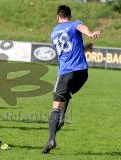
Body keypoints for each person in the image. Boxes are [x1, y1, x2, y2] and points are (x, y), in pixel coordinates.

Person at [42, 5, 101, 154]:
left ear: (58, 17)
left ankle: (51, 139)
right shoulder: (74, 24)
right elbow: (80, 28)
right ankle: (61, 118)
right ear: (69, 15)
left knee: (56, 105)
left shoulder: (54, 32)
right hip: (82, 72)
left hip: (66, 72)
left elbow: (66, 49)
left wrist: (88, 34)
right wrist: (90, 35)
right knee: (66, 94)